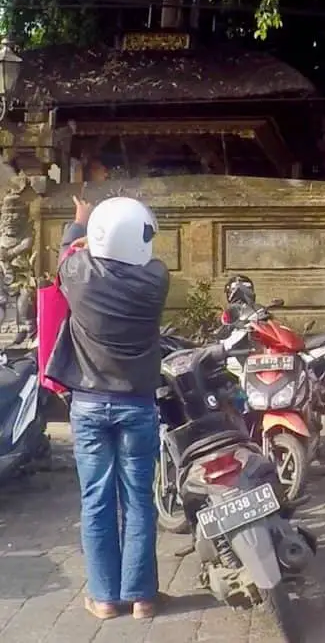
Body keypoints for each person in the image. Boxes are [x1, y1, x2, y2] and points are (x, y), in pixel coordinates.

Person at [48, 195, 169, 621]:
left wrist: (80, 222)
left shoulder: (77, 275)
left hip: (88, 406)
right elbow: (144, 254)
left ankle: (103, 599)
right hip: (137, 405)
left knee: (96, 500)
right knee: (138, 499)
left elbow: (67, 252)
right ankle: (141, 598)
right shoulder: (156, 280)